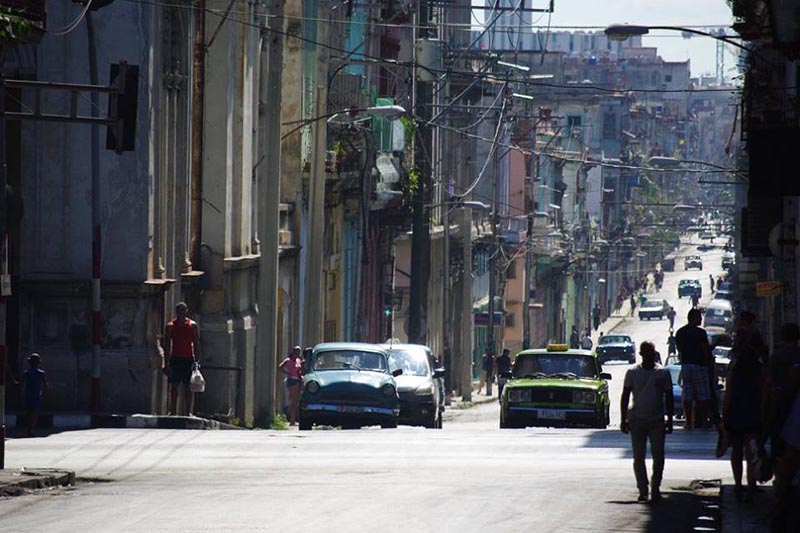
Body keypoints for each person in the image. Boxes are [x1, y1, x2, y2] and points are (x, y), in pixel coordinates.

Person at [620, 341, 674, 502]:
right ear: (641, 354)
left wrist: (669, 419)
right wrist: (623, 419)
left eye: (651, 351)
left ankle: (655, 486)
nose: (648, 355)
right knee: (639, 457)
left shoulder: (662, 373)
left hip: (657, 420)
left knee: (659, 456)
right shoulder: (632, 372)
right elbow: (625, 395)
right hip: (637, 420)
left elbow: (669, 397)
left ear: (654, 353)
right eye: (646, 352)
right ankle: (643, 489)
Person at [722, 331, 766, 503]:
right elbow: (764, 394)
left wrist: (724, 417)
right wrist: (763, 415)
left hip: (735, 414)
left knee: (737, 451)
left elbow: (728, 395)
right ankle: (751, 485)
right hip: (752, 415)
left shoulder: (734, 371)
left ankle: (738, 484)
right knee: (751, 452)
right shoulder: (759, 371)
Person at [765, 323, 800, 462]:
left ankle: (780, 475)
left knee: (778, 441)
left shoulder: (777, 356)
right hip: (796, 403)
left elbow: (768, 381)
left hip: (779, 404)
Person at [675, 308, 711, 429]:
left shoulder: (680, 332)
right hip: (699, 365)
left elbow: (679, 350)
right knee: (703, 394)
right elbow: (706, 349)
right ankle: (704, 420)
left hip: (686, 365)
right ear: (694, 318)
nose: (701, 319)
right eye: (699, 317)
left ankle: (689, 421)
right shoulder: (701, 333)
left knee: (688, 394)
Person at [163, 302, 201, 416]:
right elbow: (167, 345)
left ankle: (188, 411)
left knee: (188, 387)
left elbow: (196, 343)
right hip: (175, 358)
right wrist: (167, 363)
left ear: (187, 311)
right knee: (174, 386)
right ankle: (173, 410)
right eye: (179, 311)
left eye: (183, 310)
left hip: (188, 358)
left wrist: (197, 361)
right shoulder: (170, 326)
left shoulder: (192, 325)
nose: (181, 313)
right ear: (176, 312)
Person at [16, 353, 49, 437]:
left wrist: (15, 383)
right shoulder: (41, 373)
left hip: (27, 395)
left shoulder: (26, 372)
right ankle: (31, 429)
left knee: (28, 413)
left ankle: (29, 429)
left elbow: (19, 383)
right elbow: (46, 385)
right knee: (34, 413)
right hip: (36, 395)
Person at [279, 346, 304, 426]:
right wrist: (287, 373)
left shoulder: (298, 360)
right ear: (293, 352)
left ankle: (294, 419)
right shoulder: (288, 360)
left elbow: (300, 369)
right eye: (297, 352)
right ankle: (292, 420)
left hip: (298, 380)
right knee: (294, 401)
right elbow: (280, 367)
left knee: (296, 401)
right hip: (292, 380)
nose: (298, 354)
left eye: (299, 352)